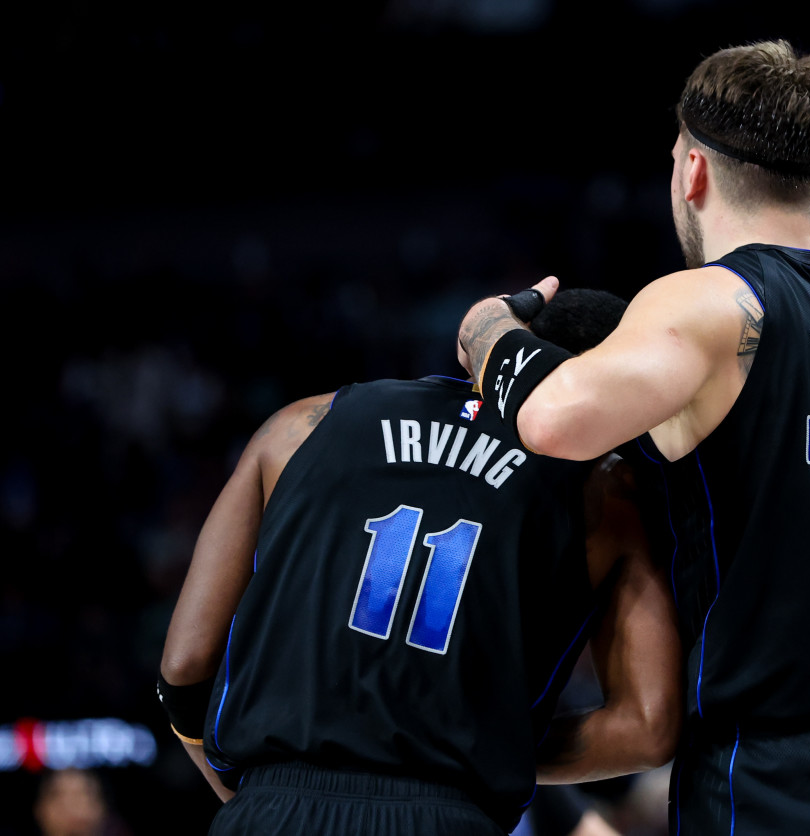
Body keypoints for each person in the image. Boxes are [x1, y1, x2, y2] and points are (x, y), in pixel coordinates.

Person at [456, 38, 810, 835]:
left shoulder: (712, 300)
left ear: (692, 170)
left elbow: (555, 417)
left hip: (775, 773)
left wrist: (487, 331)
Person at [158, 289, 682, 835]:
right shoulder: (607, 491)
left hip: (274, 803)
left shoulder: (302, 423)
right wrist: (476, 743)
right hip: (446, 813)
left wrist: (250, 797)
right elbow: (647, 729)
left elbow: (185, 667)